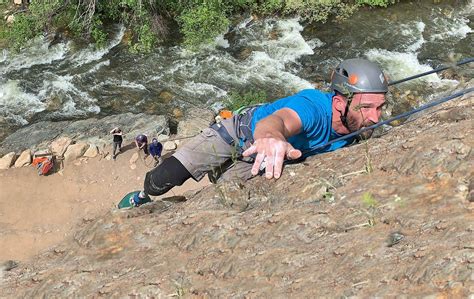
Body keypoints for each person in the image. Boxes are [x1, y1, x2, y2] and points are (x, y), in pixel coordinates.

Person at [133, 58, 389, 203]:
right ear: (338, 103)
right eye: (365, 108)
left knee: (224, 199)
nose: (374, 118)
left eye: (380, 108)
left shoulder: (359, 126)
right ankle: (142, 196)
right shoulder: (312, 107)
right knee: (168, 175)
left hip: (255, 163)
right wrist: (271, 138)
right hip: (235, 135)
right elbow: (277, 121)